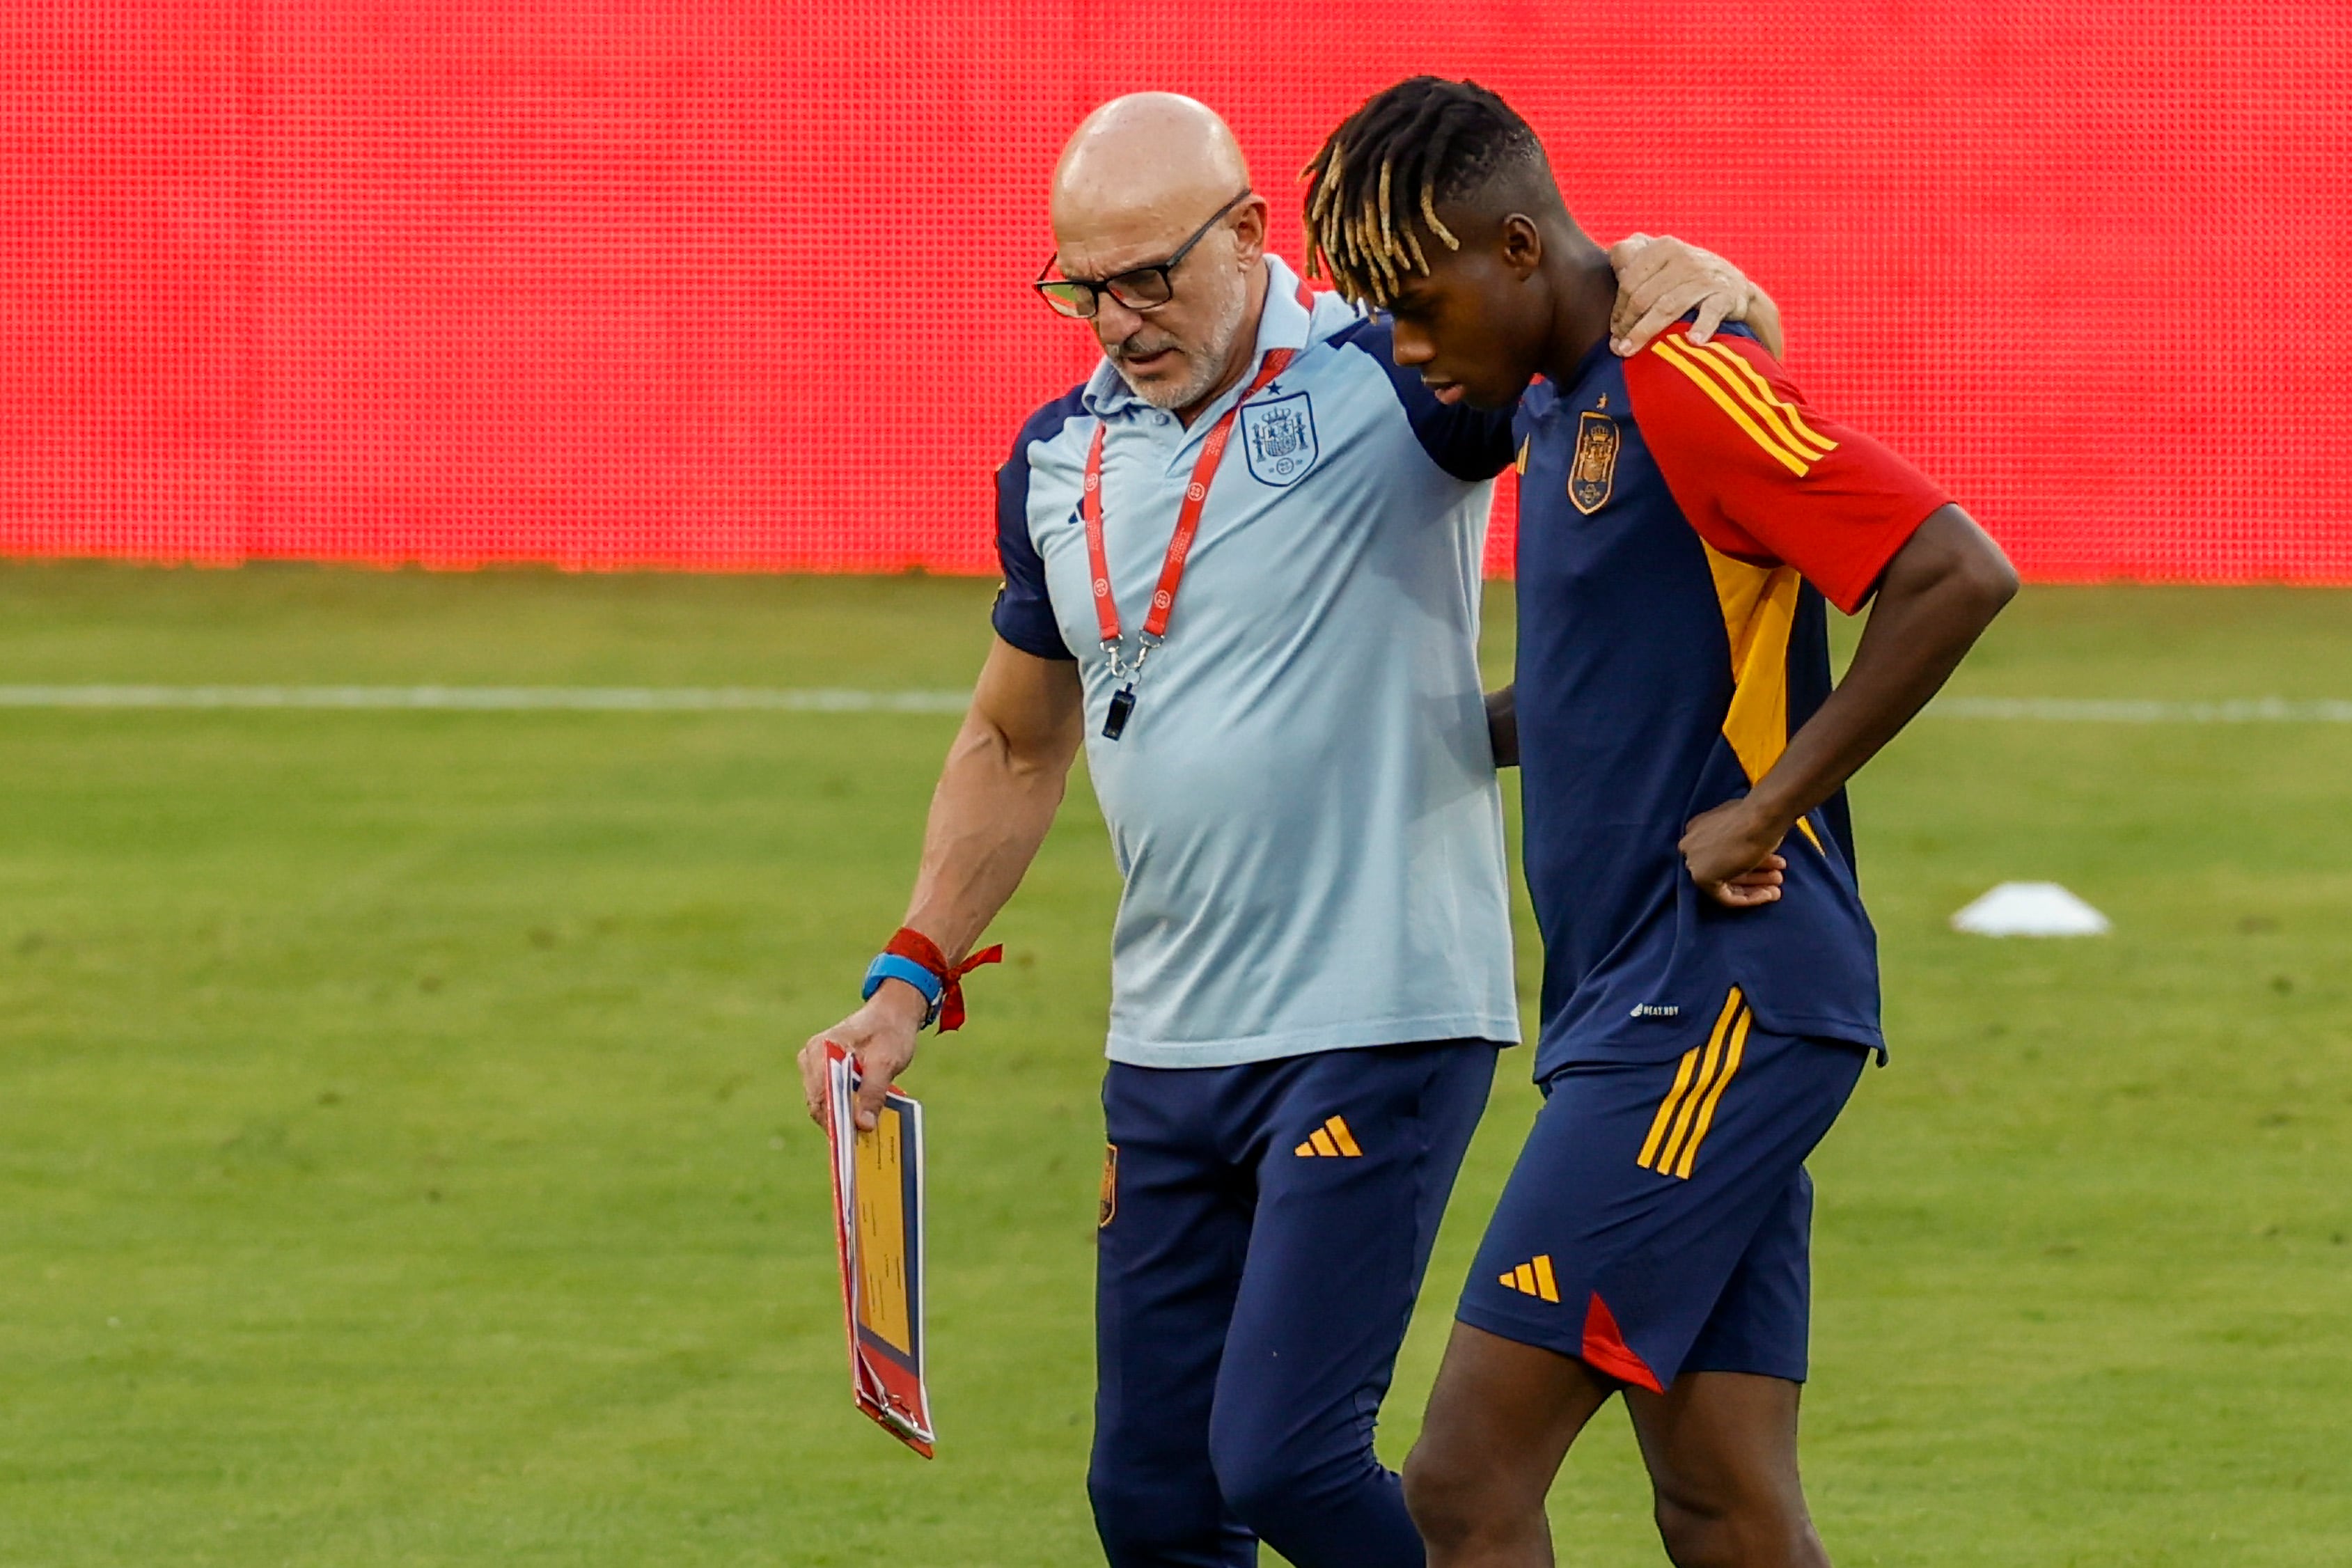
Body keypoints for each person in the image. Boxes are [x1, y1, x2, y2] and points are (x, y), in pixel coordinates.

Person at [799, 93, 1782, 1568]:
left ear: (1250, 235)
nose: (1118, 316)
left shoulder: (1395, 375)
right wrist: (906, 977)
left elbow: (1569, 312)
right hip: (1168, 1043)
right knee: (1151, 1501)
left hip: (1378, 1013)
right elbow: (1016, 736)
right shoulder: (1056, 465)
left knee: (1290, 1461)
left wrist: (1684, 268)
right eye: (1084, 283)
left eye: (1152, 275)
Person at [1298, 78, 2018, 1568]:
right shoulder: (1557, 399)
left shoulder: (1684, 382)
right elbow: (1601, 693)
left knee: (1462, 1481)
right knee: (1723, 1504)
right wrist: (1419, 741)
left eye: (1422, 310)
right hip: (1645, 1003)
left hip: (1716, 1006)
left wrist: (1765, 807)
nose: (1412, 351)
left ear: (1514, 248)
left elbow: (1954, 568)